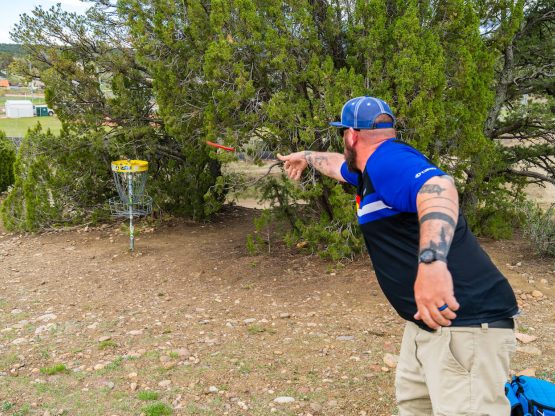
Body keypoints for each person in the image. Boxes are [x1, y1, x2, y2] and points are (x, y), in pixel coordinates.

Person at [277, 96, 519, 416]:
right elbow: (337, 165)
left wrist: (432, 263)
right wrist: (306, 157)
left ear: (351, 135)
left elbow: (438, 186)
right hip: (427, 325)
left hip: (466, 326)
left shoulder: (386, 161)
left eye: (343, 135)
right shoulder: (368, 169)